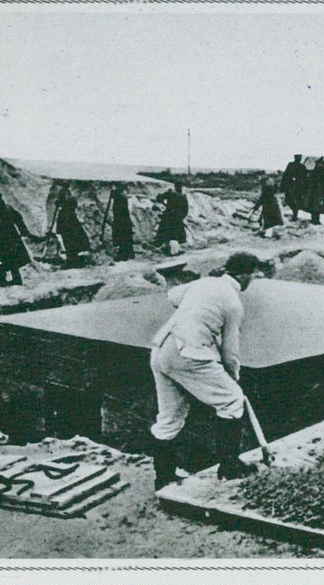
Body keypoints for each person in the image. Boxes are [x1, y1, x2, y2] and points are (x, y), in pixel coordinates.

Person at [148, 252, 263, 490]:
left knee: (169, 418)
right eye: (252, 275)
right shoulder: (233, 304)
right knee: (231, 401)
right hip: (188, 353)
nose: (252, 280)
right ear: (243, 276)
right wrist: (233, 380)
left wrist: (200, 299)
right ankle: (229, 467)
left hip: (161, 351)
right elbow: (230, 353)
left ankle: (164, 477)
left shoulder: (205, 283)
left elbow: (173, 296)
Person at [0, 191, 31, 287]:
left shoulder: (3, 209)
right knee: (7, 257)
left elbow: (16, 218)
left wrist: (23, 230)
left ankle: (6, 279)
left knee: (6, 256)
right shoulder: (0, 208)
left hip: (7, 237)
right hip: (5, 236)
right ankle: (11, 279)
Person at [51, 184, 91, 267]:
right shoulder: (68, 196)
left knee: (70, 241)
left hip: (68, 222)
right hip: (68, 222)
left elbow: (70, 205)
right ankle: (73, 259)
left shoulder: (68, 198)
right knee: (69, 240)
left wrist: (60, 204)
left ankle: (73, 260)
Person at [154, 181, 189, 246]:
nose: (179, 188)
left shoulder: (172, 193)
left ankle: (162, 242)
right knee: (176, 231)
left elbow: (159, 198)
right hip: (174, 216)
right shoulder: (181, 195)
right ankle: (173, 243)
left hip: (170, 215)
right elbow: (185, 209)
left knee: (166, 229)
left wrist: (163, 203)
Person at [107, 184, 135, 261]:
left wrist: (113, 193)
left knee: (122, 237)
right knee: (127, 237)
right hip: (125, 221)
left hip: (121, 222)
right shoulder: (123, 199)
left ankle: (123, 255)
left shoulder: (119, 200)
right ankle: (131, 253)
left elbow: (118, 212)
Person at [280, 154, 308, 221]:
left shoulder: (302, 167)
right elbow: (286, 176)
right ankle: (294, 213)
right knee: (289, 200)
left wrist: (304, 188)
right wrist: (283, 186)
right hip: (290, 186)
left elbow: (305, 178)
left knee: (296, 202)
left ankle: (295, 215)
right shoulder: (291, 165)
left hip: (298, 188)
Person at [306, 157, 324, 225]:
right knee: (313, 206)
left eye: (321, 164)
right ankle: (314, 219)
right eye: (319, 164)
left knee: (318, 206)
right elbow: (310, 181)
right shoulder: (314, 172)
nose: (320, 165)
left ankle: (317, 220)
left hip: (321, 191)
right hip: (314, 191)